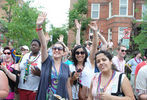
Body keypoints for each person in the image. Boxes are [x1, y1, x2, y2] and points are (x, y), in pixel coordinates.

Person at [36, 13, 72, 100]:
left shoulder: (66, 67)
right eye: (54, 48)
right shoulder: (46, 61)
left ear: (64, 53)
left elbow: (68, 87)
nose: (56, 50)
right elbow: (44, 45)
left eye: (59, 49)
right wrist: (39, 26)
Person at [69, 21, 98, 100]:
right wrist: (73, 79)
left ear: (85, 54)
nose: (79, 55)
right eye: (77, 53)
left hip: (88, 97)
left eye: (82, 53)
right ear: (74, 54)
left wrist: (95, 32)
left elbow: (94, 46)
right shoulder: (71, 66)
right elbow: (68, 84)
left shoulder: (89, 62)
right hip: (74, 97)